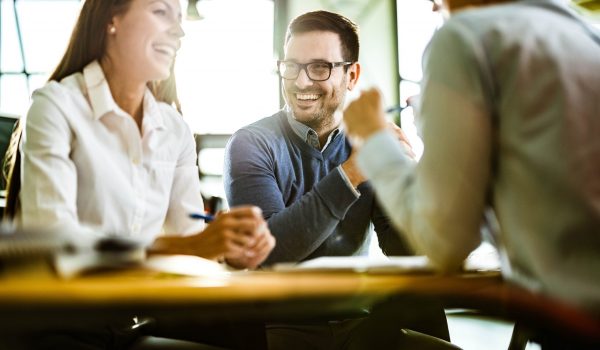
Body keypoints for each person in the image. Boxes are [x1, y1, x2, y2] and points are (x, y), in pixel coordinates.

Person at [17, 0, 274, 348]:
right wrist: (192, 244)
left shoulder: (173, 128)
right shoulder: (56, 106)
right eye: (160, 12)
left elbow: (189, 235)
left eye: (180, 19)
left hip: (130, 322)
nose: (179, 31)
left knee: (245, 323)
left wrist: (230, 251)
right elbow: (55, 245)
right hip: (63, 325)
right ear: (112, 20)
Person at [344, 0, 600, 315]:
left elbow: (443, 243)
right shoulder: (583, 34)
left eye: (436, 2)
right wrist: (442, 122)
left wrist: (373, 139)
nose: (435, 9)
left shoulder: (464, 38)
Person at [224, 10, 453, 350]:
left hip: (359, 321)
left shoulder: (366, 142)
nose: (302, 82)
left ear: (352, 75)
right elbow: (270, 252)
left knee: (428, 313)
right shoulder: (250, 143)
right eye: (291, 66)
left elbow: (405, 250)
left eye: (320, 67)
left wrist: (413, 173)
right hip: (280, 327)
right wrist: (355, 170)